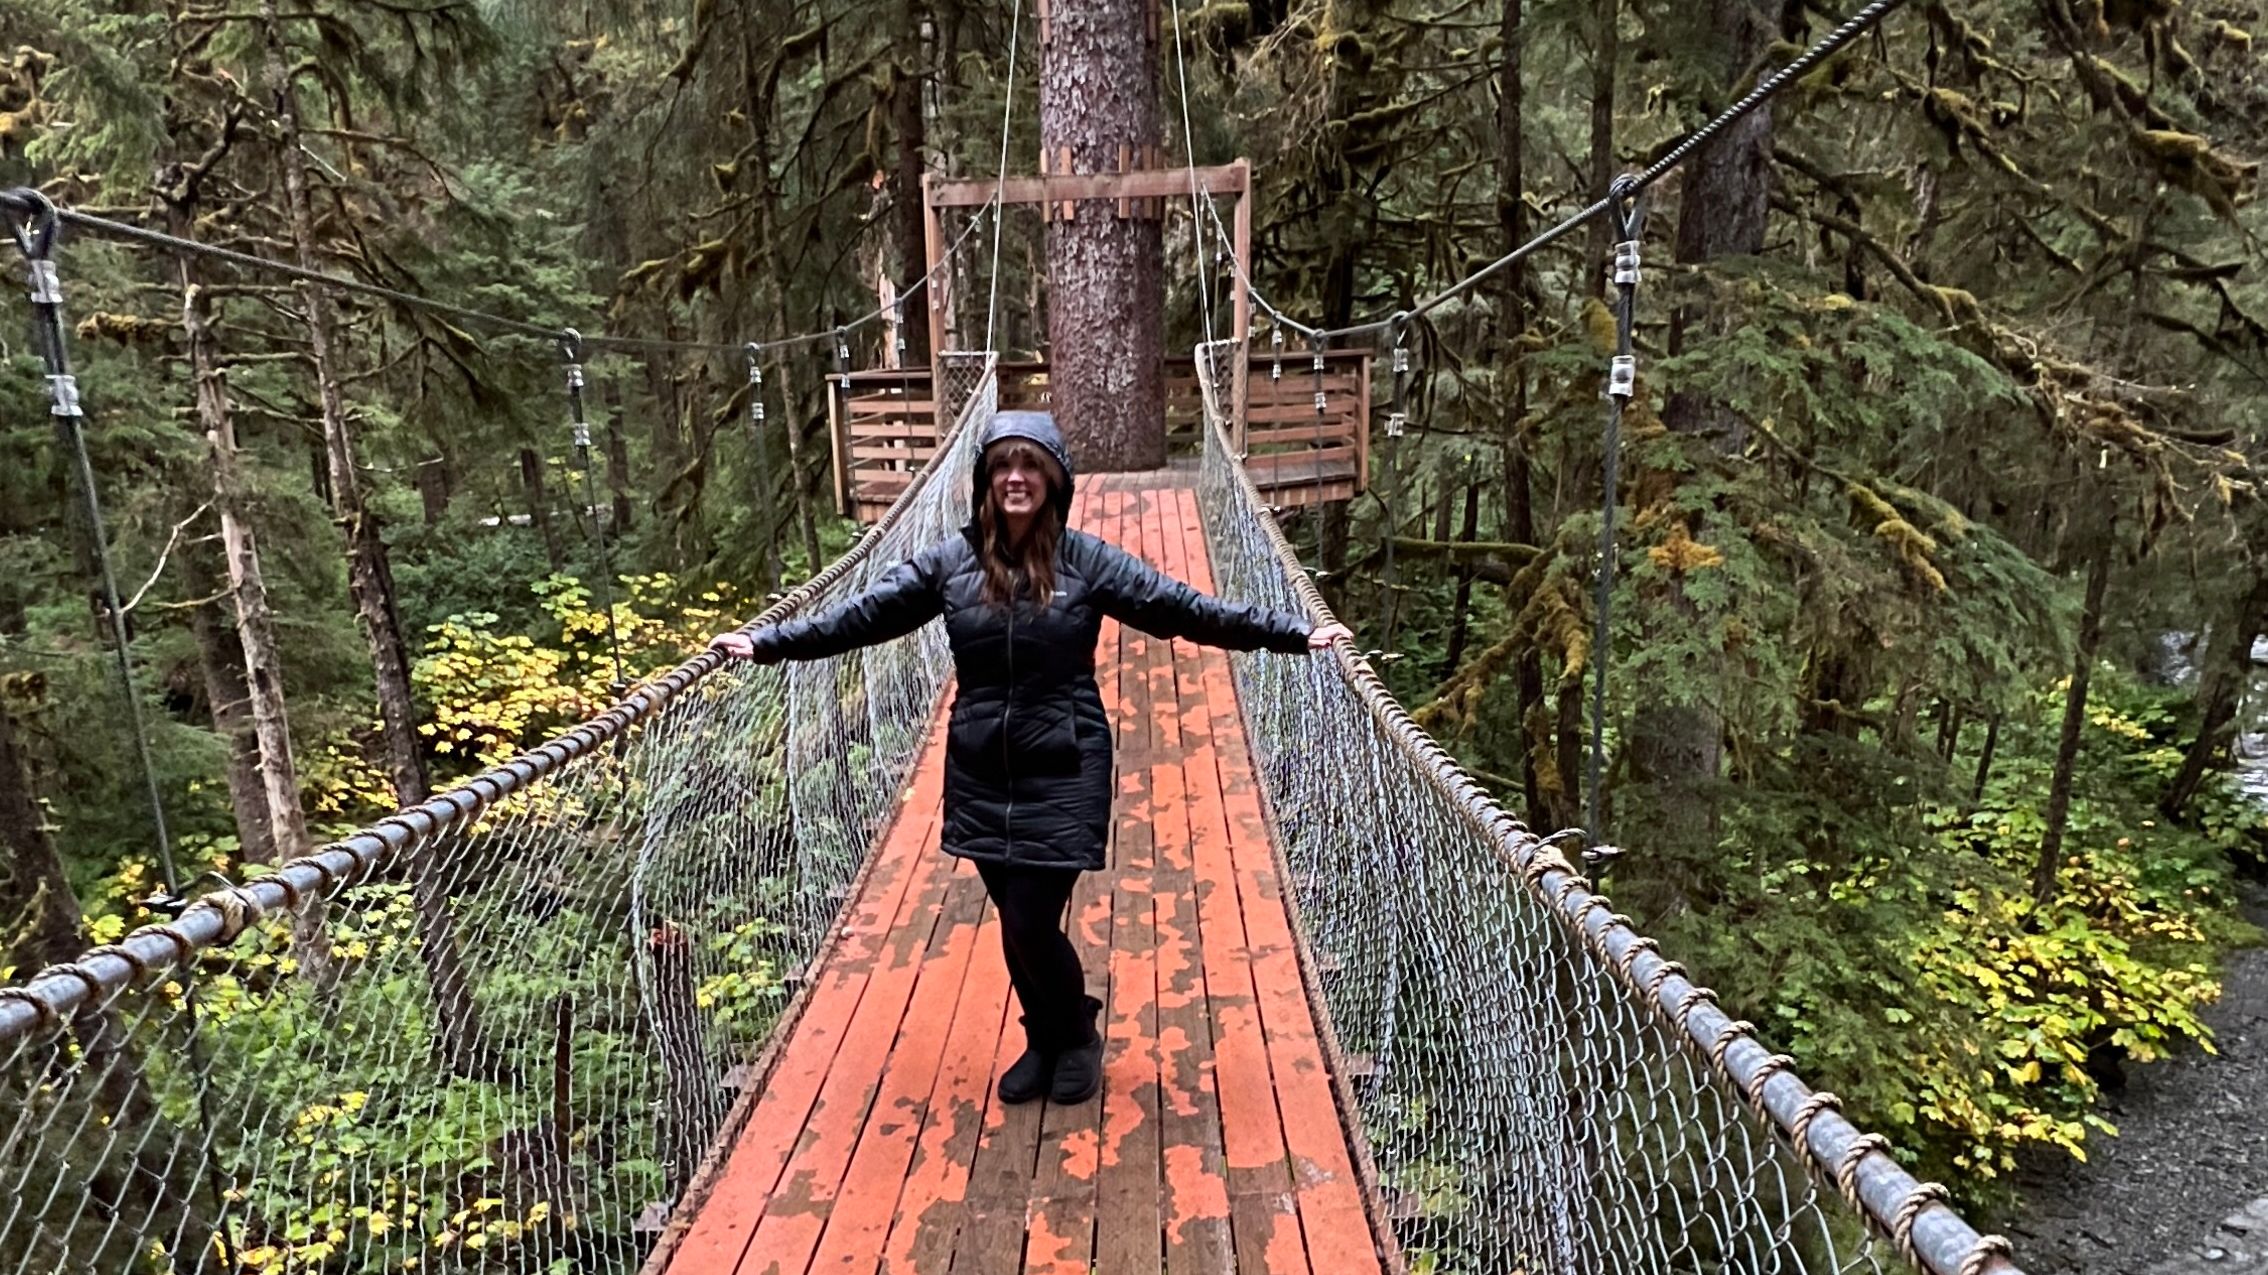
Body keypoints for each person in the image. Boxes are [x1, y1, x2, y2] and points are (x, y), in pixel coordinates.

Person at [710, 410, 1348, 1105]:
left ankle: (1074, 1035)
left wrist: (1291, 633)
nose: (1017, 477)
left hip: (1065, 761)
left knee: (1028, 921)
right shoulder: (949, 564)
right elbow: (861, 617)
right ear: (986, 480)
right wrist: (769, 642)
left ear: (1052, 480)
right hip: (983, 766)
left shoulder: (1086, 562)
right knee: (1014, 925)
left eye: (1031, 465)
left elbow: (1180, 606)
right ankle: (1043, 1038)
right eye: (1004, 466)